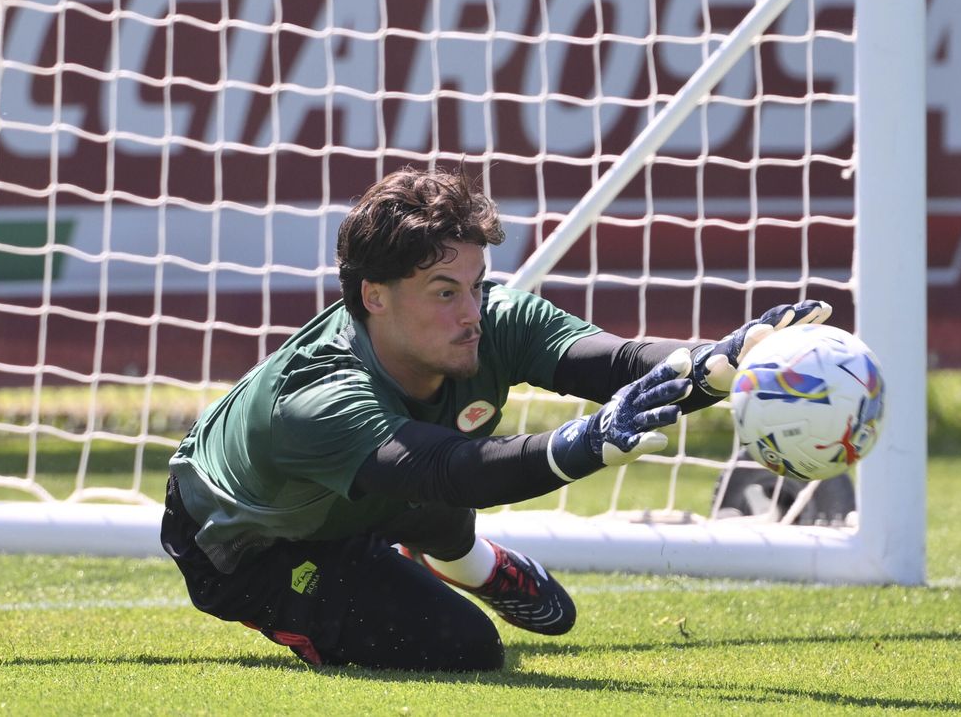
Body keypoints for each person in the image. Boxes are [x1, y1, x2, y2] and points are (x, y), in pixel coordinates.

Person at [160, 167, 831, 671]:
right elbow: (444, 470)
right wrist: (582, 446)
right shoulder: (315, 396)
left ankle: (468, 563)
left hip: (385, 489)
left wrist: (728, 362)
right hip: (252, 548)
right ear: (375, 297)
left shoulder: (492, 320)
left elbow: (617, 363)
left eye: (476, 285)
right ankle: (386, 584)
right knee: (464, 646)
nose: (471, 312)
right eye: (445, 293)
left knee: (434, 459)